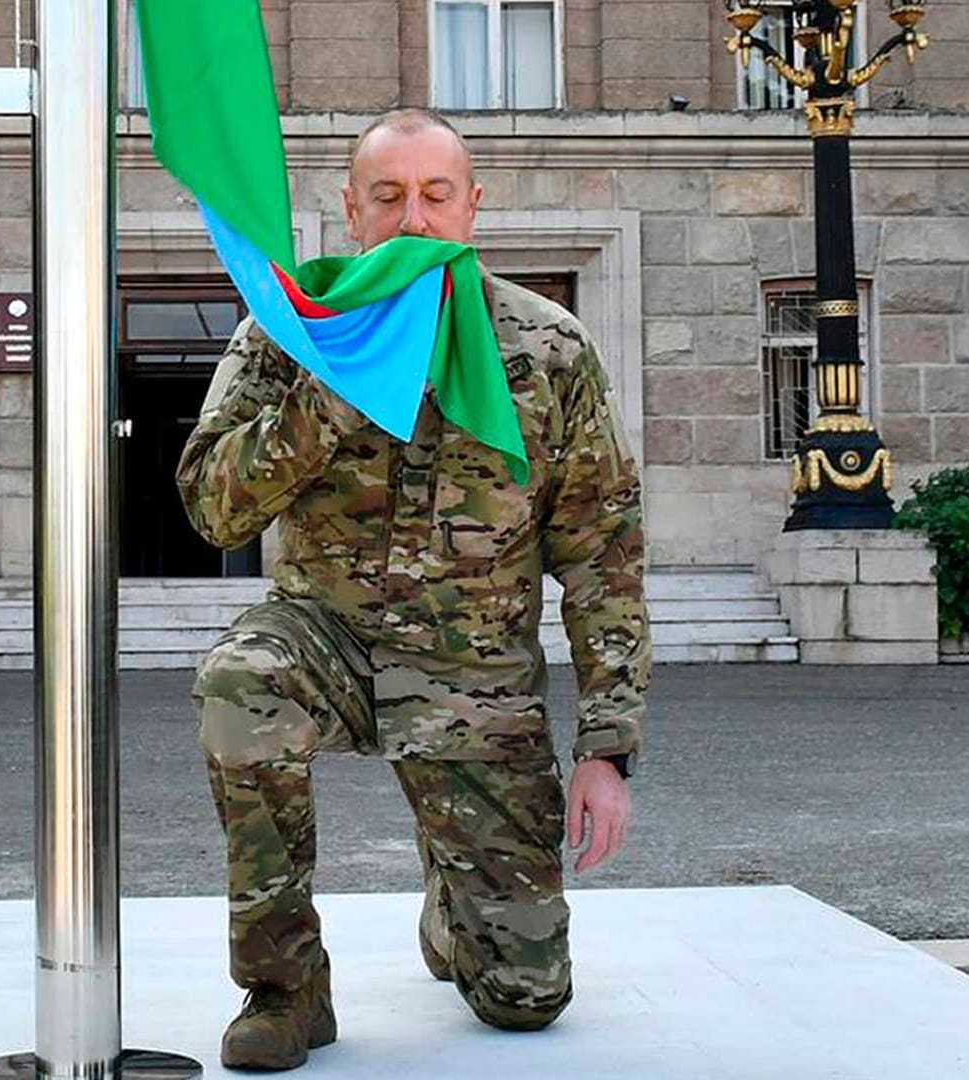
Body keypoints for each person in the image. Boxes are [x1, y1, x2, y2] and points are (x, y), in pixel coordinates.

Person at [175, 108, 649, 1072]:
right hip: (325, 642)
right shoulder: (289, 331)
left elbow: (603, 554)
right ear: (351, 212)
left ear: (473, 207)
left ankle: (455, 904)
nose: (414, 219)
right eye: (388, 197)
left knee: (523, 1003)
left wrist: (608, 748)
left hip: (476, 682)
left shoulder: (547, 349)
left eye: (437, 195)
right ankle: (285, 988)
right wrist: (332, 392)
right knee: (238, 680)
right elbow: (213, 510)